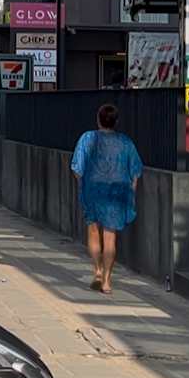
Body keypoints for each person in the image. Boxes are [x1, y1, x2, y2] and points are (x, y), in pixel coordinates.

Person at [71, 104, 142, 294]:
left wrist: (84, 184)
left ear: (98, 119)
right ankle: (107, 281)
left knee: (93, 230)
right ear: (116, 121)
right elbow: (135, 171)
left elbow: (77, 167)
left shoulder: (87, 138)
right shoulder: (125, 142)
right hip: (117, 191)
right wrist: (131, 192)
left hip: (93, 189)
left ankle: (97, 270)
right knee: (110, 237)